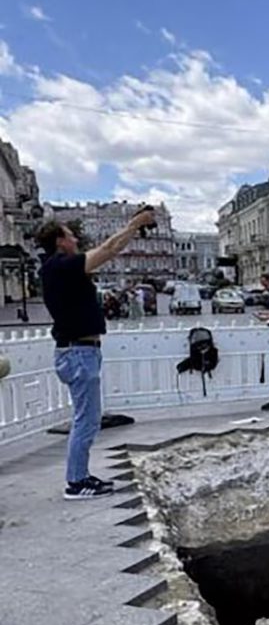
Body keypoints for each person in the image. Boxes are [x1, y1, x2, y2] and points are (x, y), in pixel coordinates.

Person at [36, 209, 158, 499]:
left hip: (79, 352)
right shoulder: (61, 266)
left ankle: (80, 476)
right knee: (86, 420)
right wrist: (133, 224)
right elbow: (109, 249)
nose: (75, 238)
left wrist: (130, 230)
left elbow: (107, 250)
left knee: (87, 418)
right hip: (78, 353)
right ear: (59, 242)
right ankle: (76, 483)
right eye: (70, 235)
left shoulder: (57, 268)